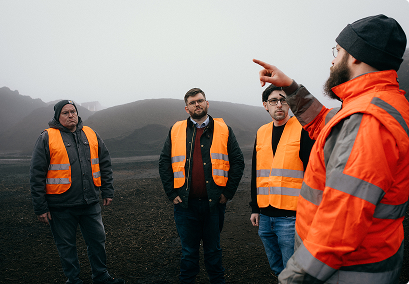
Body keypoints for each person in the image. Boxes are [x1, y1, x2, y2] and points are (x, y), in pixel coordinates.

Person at [253, 14, 409, 283]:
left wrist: (293, 279)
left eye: (338, 51)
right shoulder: (375, 104)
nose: (333, 60)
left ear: (357, 56)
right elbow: (324, 123)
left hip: (347, 272)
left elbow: (339, 228)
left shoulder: (368, 121)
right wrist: (290, 86)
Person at [30, 100, 124, 284]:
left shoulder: (90, 134)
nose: (71, 115)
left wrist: (108, 190)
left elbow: (104, 162)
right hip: (60, 206)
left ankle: (101, 276)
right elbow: (37, 173)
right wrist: (40, 207)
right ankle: (73, 280)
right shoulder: (47, 137)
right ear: (58, 116)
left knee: (97, 241)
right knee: (66, 246)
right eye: (65, 113)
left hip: (90, 203)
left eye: (73, 111)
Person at [159, 88, 245, 284]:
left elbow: (238, 161)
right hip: (185, 205)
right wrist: (171, 193)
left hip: (213, 204)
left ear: (207, 103)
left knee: (213, 252)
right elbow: (164, 162)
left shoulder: (224, 129)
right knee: (188, 253)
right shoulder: (176, 129)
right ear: (186, 108)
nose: (197, 104)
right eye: (192, 102)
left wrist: (227, 193)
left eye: (200, 100)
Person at [249, 84, 314, 277]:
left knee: (293, 271)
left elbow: (314, 172)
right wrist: (255, 208)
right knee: (277, 268)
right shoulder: (261, 132)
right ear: (265, 105)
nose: (279, 105)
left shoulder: (303, 130)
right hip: (265, 217)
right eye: (273, 101)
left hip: (291, 217)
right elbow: (256, 172)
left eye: (283, 100)